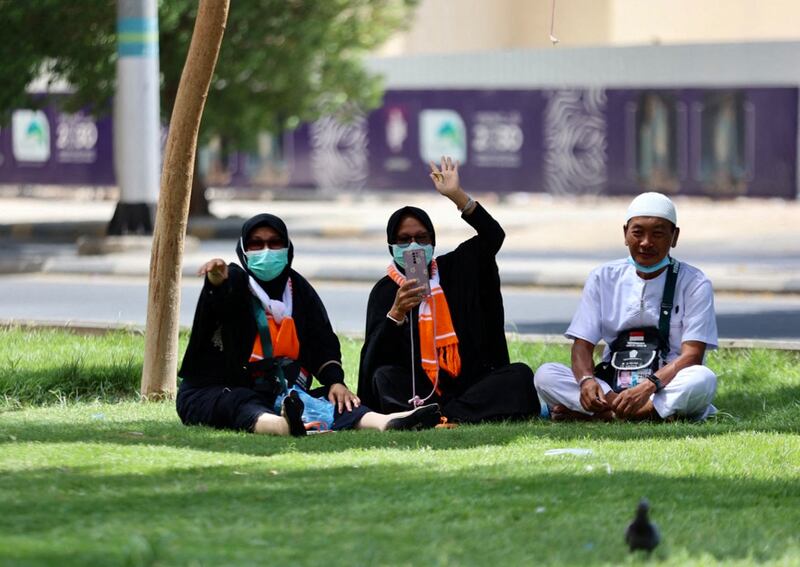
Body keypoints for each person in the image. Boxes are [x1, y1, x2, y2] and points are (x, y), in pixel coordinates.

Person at [177, 213, 441, 436]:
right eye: (256, 245)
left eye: (274, 242)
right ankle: (283, 425)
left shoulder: (298, 289)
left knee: (334, 398)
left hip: (278, 390)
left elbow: (321, 342)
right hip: (216, 389)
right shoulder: (234, 279)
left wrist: (336, 381)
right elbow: (220, 301)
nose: (266, 251)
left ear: (288, 248)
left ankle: (388, 422)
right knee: (239, 401)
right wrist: (216, 282)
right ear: (244, 250)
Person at [357, 157, 539, 423]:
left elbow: (492, 237)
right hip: (417, 390)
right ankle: (435, 413)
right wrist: (395, 314)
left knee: (520, 376)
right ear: (391, 246)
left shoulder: (455, 268)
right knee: (383, 379)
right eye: (404, 240)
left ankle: (438, 416)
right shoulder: (385, 291)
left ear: (432, 240)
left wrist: (457, 196)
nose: (414, 246)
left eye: (421, 238)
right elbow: (373, 361)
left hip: (469, 384)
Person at [534, 192, 718, 421]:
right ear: (625, 234)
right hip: (612, 384)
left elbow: (692, 356)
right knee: (546, 375)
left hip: (663, 385)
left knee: (702, 379)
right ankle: (640, 414)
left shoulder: (694, 282)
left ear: (674, 237)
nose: (646, 243)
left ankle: (605, 415)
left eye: (658, 234)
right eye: (638, 233)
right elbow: (582, 344)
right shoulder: (603, 277)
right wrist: (587, 381)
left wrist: (648, 387)